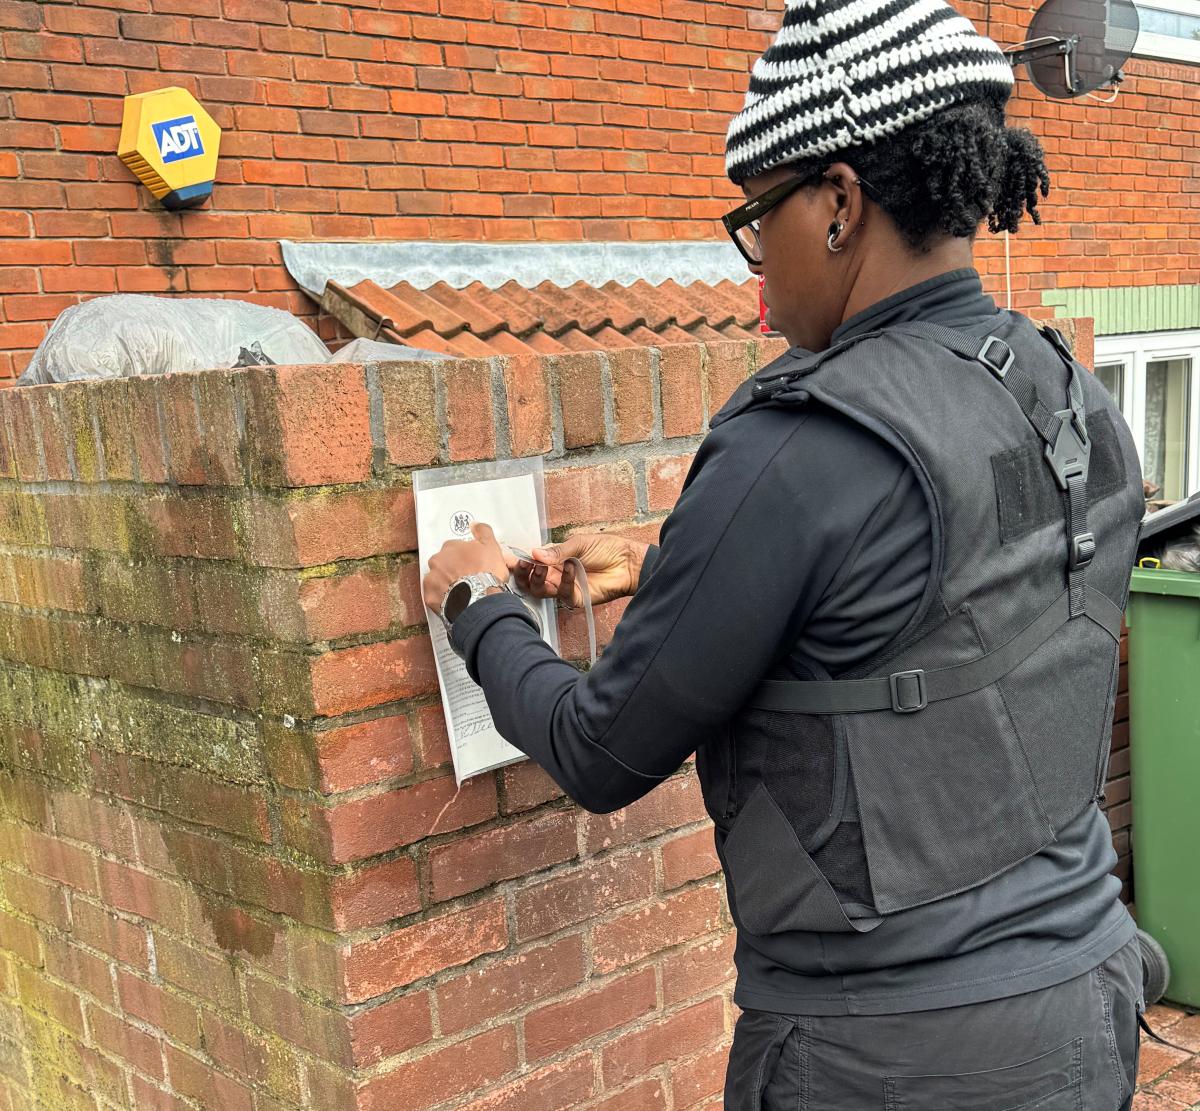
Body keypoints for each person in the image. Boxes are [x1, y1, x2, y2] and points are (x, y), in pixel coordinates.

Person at [421, 1, 1148, 1106]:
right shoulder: (1071, 397)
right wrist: (672, 569)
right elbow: (942, 603)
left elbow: (600, 752)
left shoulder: (799, 443)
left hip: (886, 1058)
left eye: (761, 217)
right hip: (1086, 1007)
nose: (758, 262)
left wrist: (476, 604)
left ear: (842, 202)